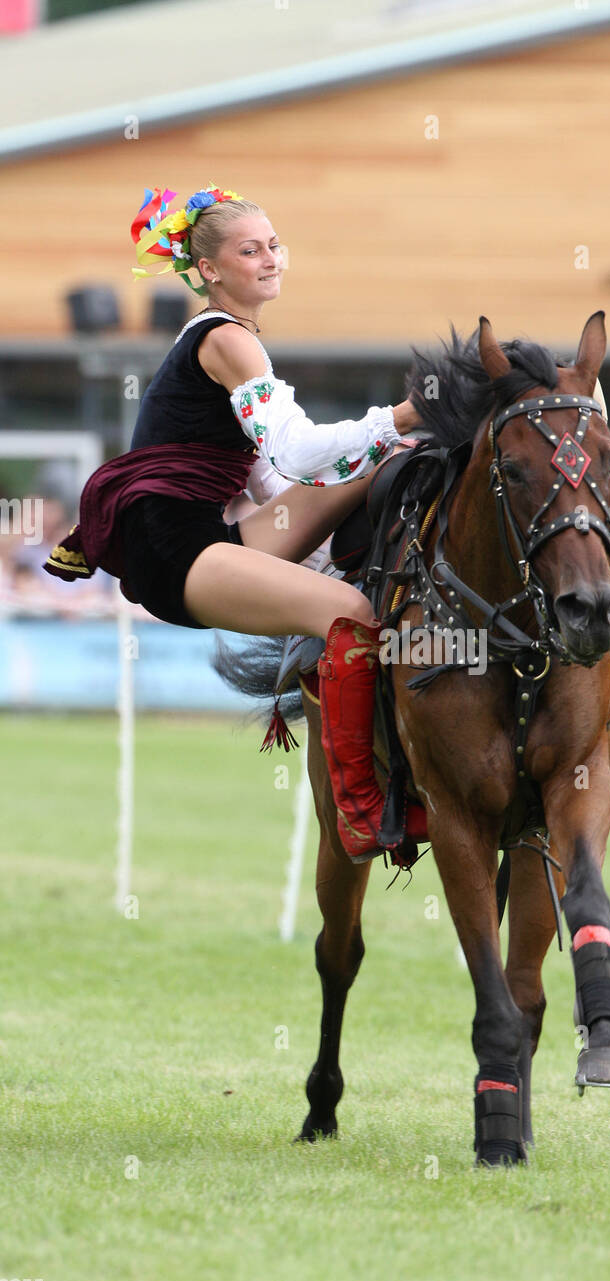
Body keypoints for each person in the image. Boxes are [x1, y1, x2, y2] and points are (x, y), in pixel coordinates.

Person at [44, 183, 423, 861]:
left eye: (274, 244)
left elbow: (280, 482)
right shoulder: (227, 341)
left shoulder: (238, 340)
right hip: (173, 551)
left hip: (207, 535)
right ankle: (363, 811)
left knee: (392, 458)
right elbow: (300, 452)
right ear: (211, 271)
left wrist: (392, 446)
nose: (271, 258)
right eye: (251, 250)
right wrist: (398, 415)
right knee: (355, 616)